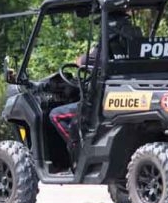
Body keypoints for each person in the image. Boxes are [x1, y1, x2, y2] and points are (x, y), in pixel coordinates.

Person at [49, 10, 140, 156]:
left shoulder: (106, 47)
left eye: (102, 26)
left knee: (55, 114)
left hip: (102, 102)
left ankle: (78, 151)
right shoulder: (136, 46)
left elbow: (82, 62)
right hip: (123, 95)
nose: (100, 31)